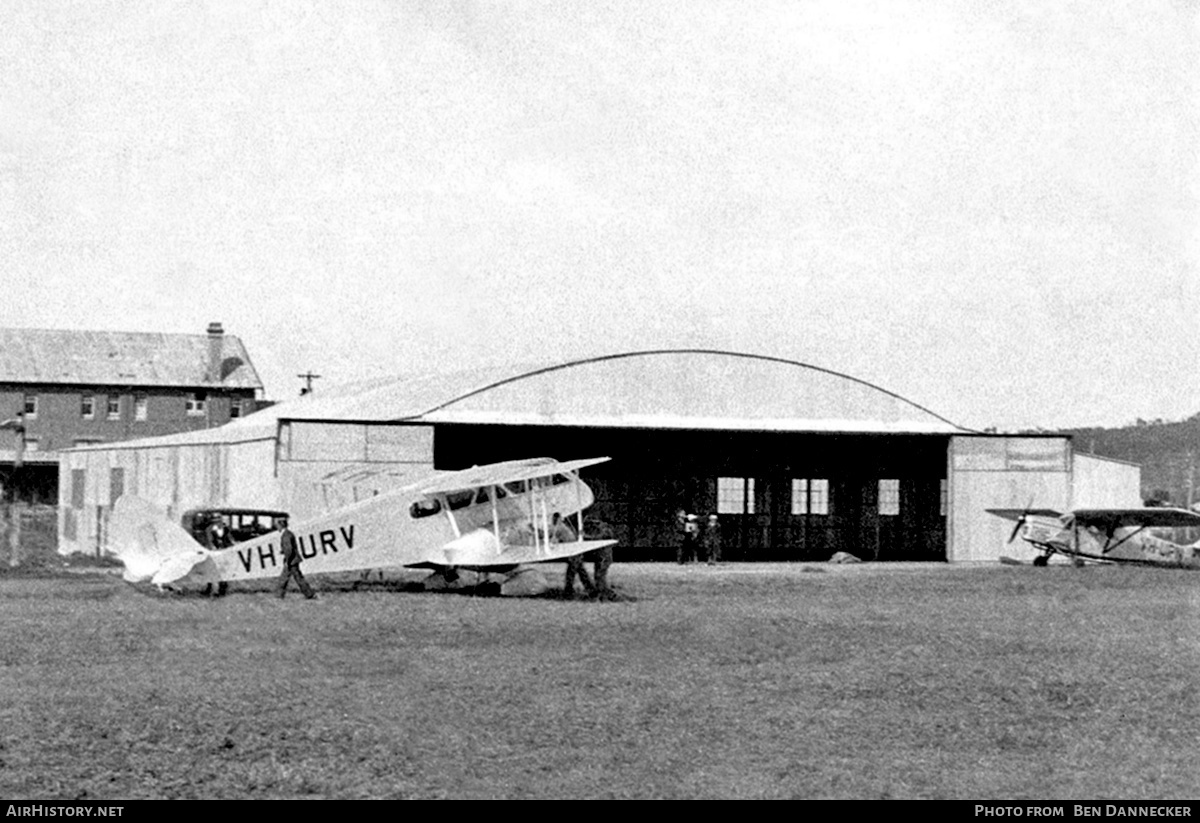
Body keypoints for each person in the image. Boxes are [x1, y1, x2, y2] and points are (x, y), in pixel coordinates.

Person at [276, 516, 317, 600]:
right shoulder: (289, 533)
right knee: (298, 578)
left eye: (277, 525)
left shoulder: (285, 535)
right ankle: (310, 594)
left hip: (291, 561)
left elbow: (289, 549)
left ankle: (279, 596)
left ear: (281, 525)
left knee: (284, 579)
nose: (277, 527)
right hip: (294, 560)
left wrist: (287, 561)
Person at [557, 513, 595, 597]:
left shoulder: (559, 527)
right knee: (581, 572)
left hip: (573, 552)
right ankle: (591, 590)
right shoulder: (566, 527)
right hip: (575, 551)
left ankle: (569, 591)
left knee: (572, 573)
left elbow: (552, 537)